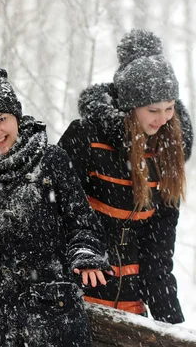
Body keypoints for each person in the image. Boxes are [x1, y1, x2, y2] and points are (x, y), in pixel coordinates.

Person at [0, 54, 110, 346]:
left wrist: (86, 253)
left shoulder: (50, 160)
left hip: (52, 318)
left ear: (16, 116)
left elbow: (83, 223)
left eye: (1, 119)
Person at [58, 29, 193, 324]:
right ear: (131, 107)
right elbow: (58, 212)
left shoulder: (166, 155)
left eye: (169, 108)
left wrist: (173, 328)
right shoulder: (87, 139)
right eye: (153, 110)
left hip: (132, 308)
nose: (162, 119)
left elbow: (157, 256)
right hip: (81, 297)